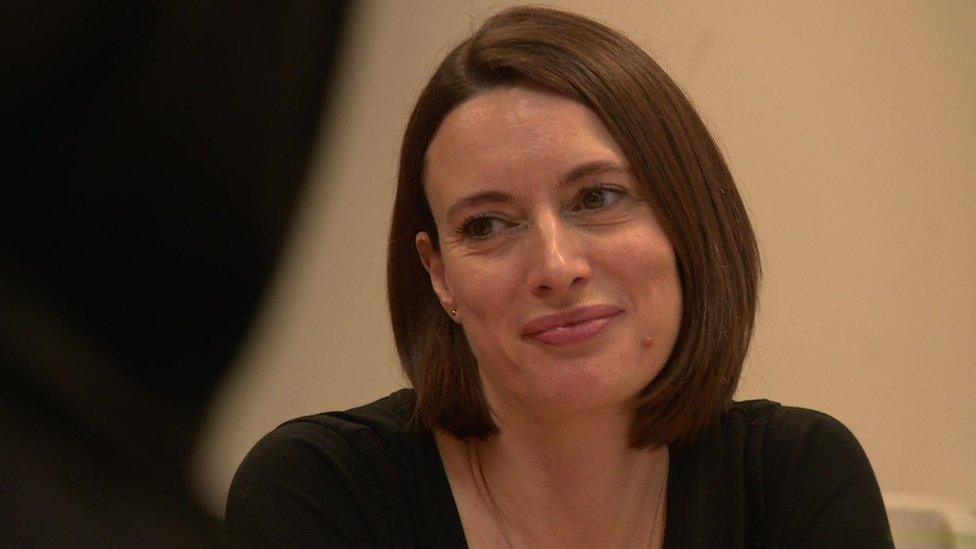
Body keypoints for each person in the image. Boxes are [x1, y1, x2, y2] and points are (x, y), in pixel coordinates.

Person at [226, 6, 893, 548]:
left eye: (597, 198)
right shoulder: (321, 491)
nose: (555, 267)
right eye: (487, 225)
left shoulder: (796, 479)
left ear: (687, 219)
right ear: (439, 275)